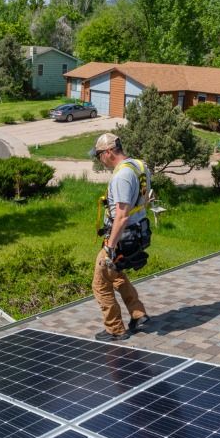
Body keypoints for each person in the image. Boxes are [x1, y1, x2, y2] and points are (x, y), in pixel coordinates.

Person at [90, 133, 152, 341]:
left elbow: (122, 215)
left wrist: (109, 247)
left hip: (122, 237)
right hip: (138, 233)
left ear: (108, 152)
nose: (99, 159)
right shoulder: (139, 166)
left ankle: (115, 329)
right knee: (116, 275)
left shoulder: (121, 176)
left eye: (99, 155)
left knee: (100, 283)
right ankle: (138, 314)